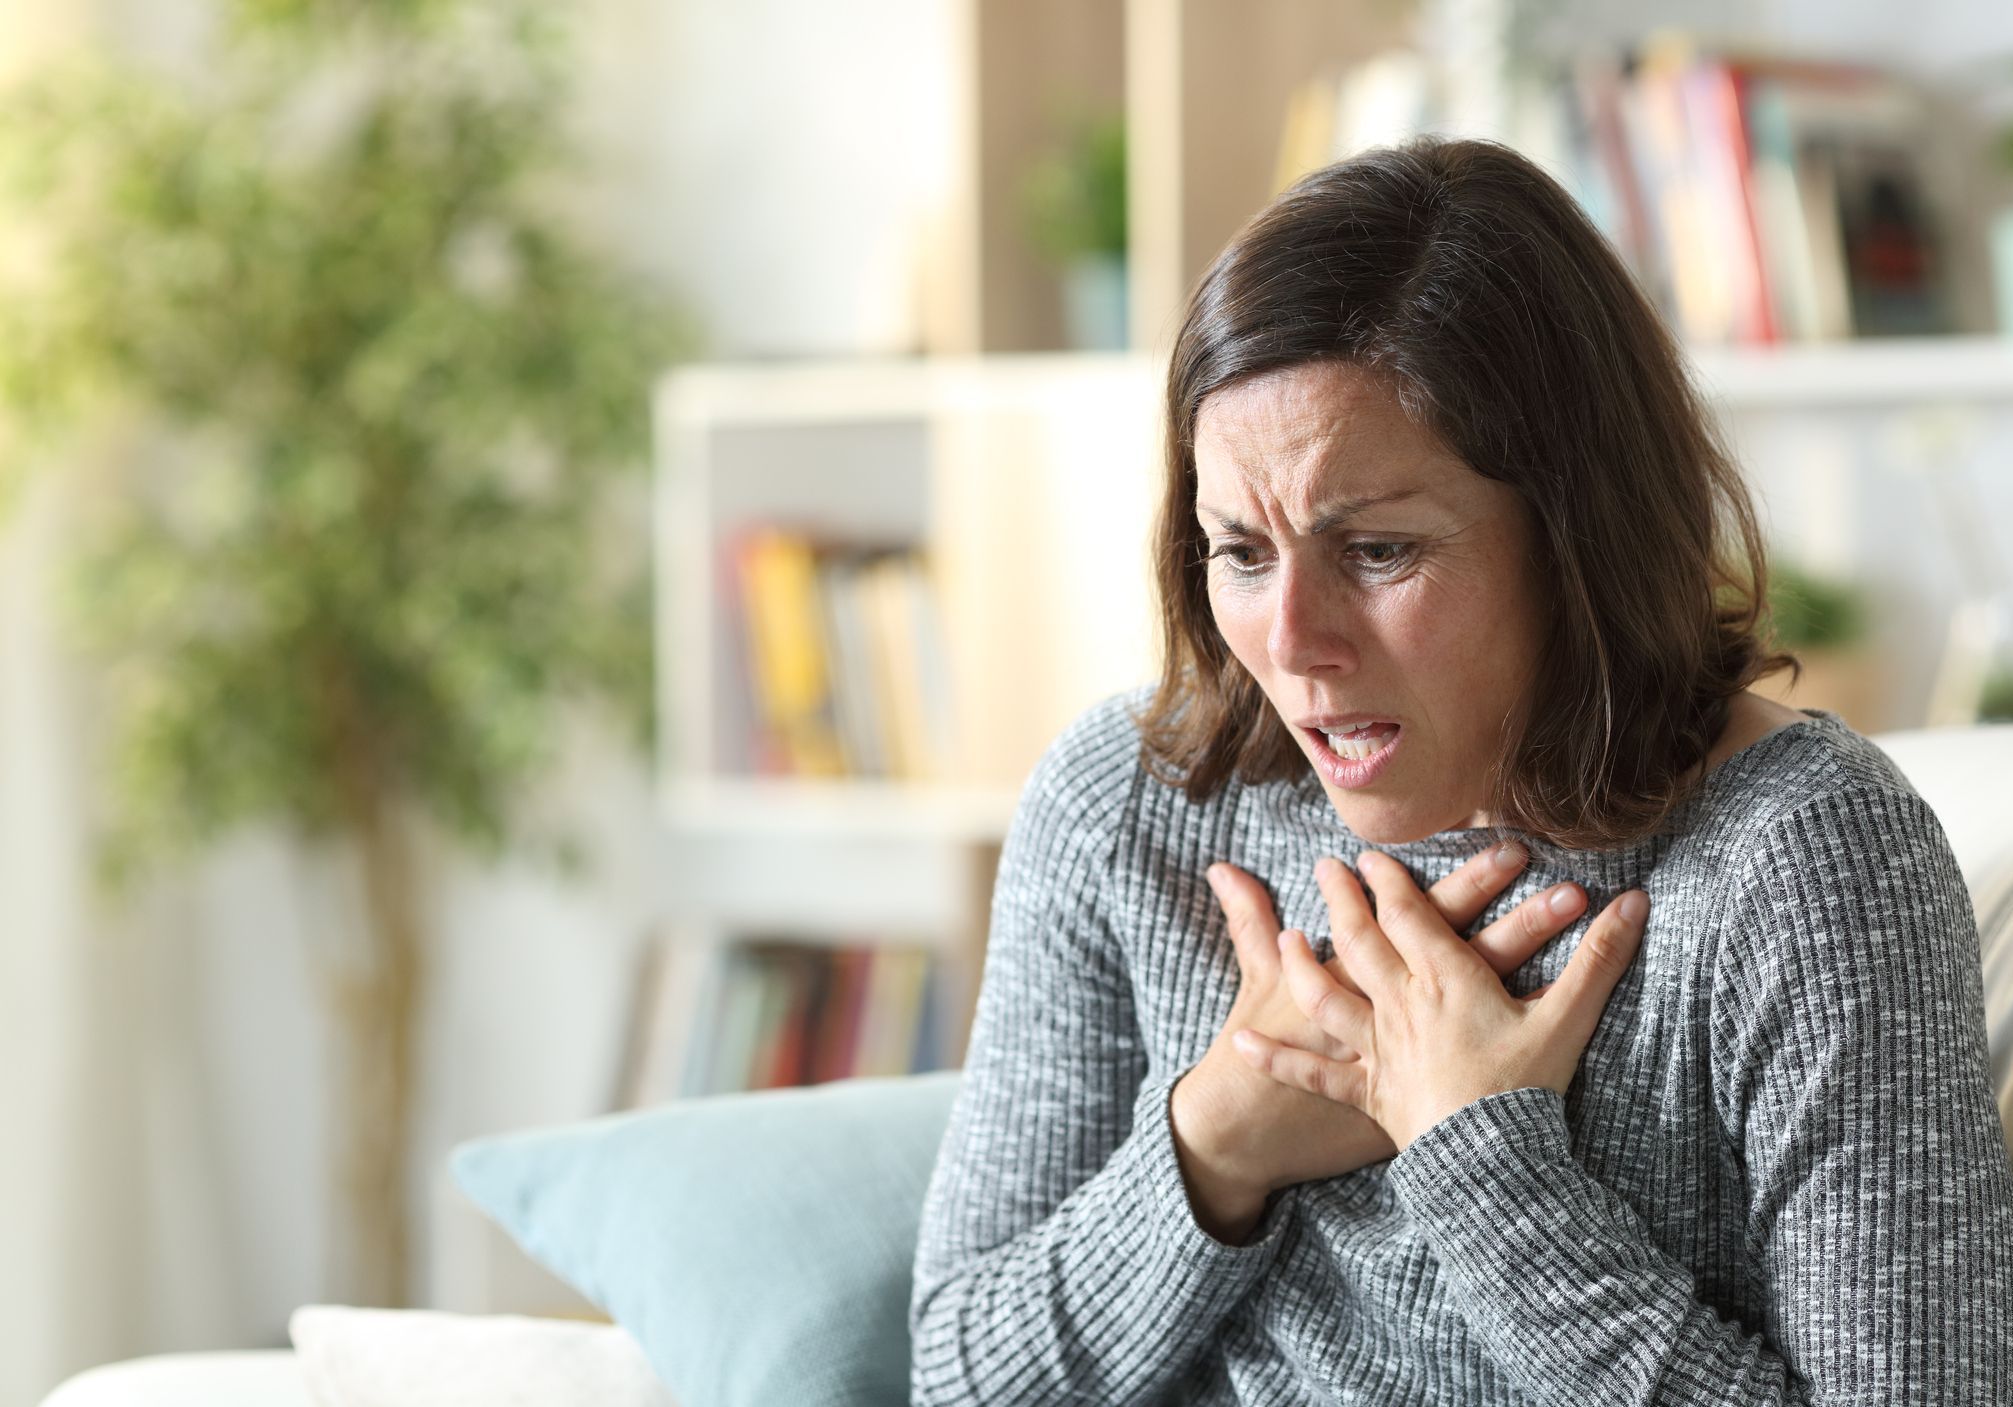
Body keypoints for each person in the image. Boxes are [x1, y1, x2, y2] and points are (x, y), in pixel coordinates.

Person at [906, 135, 2013, 1405]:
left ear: (1575, 536)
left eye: (1377, 551)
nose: (1291, 643)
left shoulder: (1807, 861)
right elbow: (957, 1376)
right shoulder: (1130, 801)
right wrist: (1214, 1143)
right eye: (1240, 553)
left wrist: (1483, 1161)